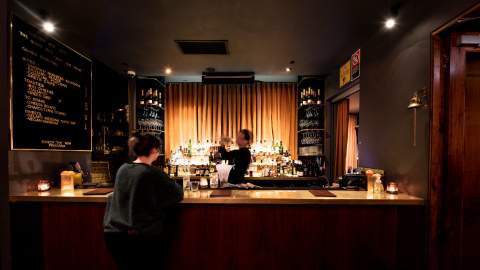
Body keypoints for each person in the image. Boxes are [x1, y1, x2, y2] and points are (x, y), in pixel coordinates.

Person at [103, 134, 183, 270]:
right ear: (153, 151)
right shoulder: (152, 173)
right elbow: (178, 193)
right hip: (140, 237)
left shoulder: (123, 169)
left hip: (114, 236)